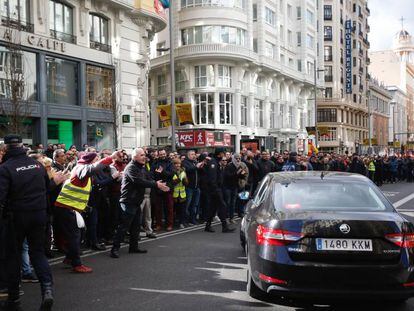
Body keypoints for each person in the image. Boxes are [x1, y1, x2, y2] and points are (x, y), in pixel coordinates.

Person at [0, 134, 56, 311]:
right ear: (22, 146)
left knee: (12, 256)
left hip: (16, 217)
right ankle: (47, 290)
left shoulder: (5, 168)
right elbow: (47, 189)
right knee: (38, 253)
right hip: (39, 214)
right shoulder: (38, 165)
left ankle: (14, 299)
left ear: (6, 148)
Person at [54, 150, 122, 273]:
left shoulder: (82, 170)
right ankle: (77, 264)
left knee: (76, 234)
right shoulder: (81, 168)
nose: (98, 164)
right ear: (89, 162)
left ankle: (69, 259)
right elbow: (95, 168)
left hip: (70, 208)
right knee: (75, 236)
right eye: (96, 161)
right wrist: (110, 158)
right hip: (66, 208)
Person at [110, 148, 169, 259]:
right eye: (141, 155)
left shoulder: (141, 167)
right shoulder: (131, 168)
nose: (144, 157)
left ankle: (133, 247)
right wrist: (156, 185)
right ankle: (115, 249)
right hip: (128, 201)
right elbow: (139, 181)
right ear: (134, 157)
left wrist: (157, 182)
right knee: (124, 226)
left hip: (136, 201)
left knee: (136, 226)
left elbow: (149, 177)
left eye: (144, 155)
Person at [203, 148, 235, 233]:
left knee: (213, 208)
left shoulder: (216, 162)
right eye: (223, 153)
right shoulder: (213, 162)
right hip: (215, 189)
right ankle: (224, 226)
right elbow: (212, 178)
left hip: (216, 188)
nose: (224, 155)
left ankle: (208, 225)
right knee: (222, 206)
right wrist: (216, 189)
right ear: (219, 154)